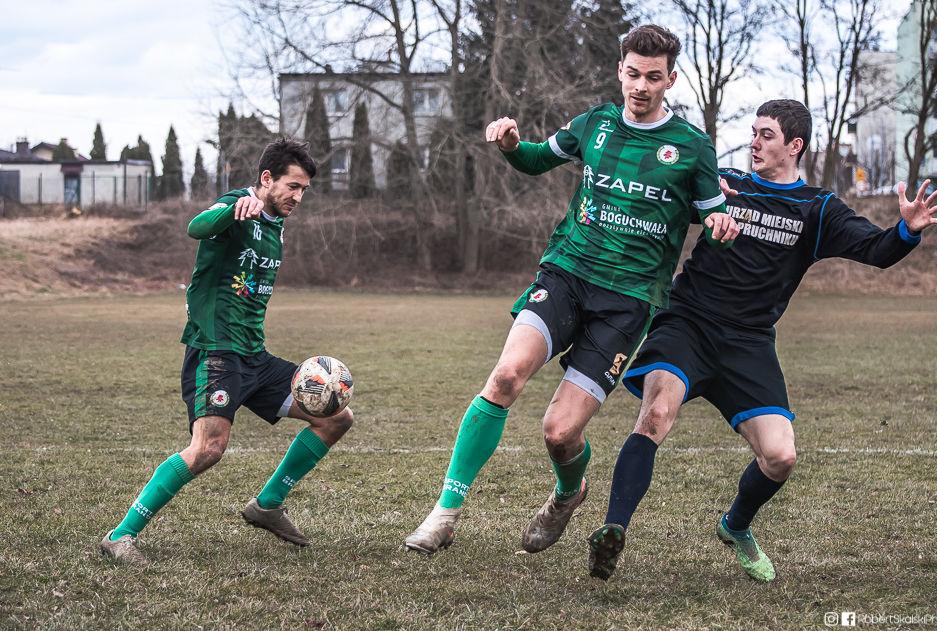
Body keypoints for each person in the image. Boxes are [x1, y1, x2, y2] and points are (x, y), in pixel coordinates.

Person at [404, 24, 740, 556]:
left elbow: (713, 217)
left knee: (559, 433)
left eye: (654, 77)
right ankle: (444, 514)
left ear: (671, 80)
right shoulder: (594, 125)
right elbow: (537, 158)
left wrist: (721, 228)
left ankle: (568, 492)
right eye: (633, 74)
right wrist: (511, 145)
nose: (641, 86)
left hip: (628, 303)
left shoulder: (693, 147)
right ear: (620, 71)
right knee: (506, 375)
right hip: (567, 274)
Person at [588, 99, 937, 582]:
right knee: (655, 414)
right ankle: (613, 529)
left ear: (794, 145)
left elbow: (877, 250)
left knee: (780, 457)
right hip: (687, 324)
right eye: (753, 132)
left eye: (766, 135)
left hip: (749, 343)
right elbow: (660, 201)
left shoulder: (817, 209)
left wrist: (907, 229)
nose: (754, 143)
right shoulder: (727, 183)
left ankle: (735, 526)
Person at [100, 138, 354, 563]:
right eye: (292, 186)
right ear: (267, 178)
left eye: (304, 190)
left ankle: (267, 505)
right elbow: (196, 227)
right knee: (207, 449)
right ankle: (120, 536)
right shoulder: (238, 207)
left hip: (254, 356)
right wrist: (233, 208)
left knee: (336, 417)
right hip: (216, 353)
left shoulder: (274, 225)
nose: (298, 196)